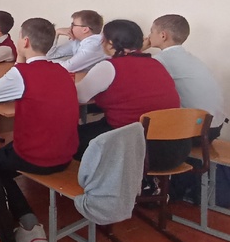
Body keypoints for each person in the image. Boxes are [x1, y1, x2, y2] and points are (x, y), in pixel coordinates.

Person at [0, 18, 80, 242]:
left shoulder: (22, 73)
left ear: (24, 41)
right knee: (7, 152)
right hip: (66, 154)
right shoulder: (62, 70)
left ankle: (29, 224)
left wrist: (19, 62)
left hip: (35, 157)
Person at [76, 19, 182, 167]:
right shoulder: (156, 63)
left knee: (71, 139)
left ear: (111, 43)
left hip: (136, 148)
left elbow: (79, 97)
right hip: (174, 146)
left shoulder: (109, 67)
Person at [146, 14, 226, 142]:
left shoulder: (160, 60)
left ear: (163, 35)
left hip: (195, 131)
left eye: (151, 31)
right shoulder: (191, 58)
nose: (149, 36)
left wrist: (137, 49)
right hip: (214, 127)